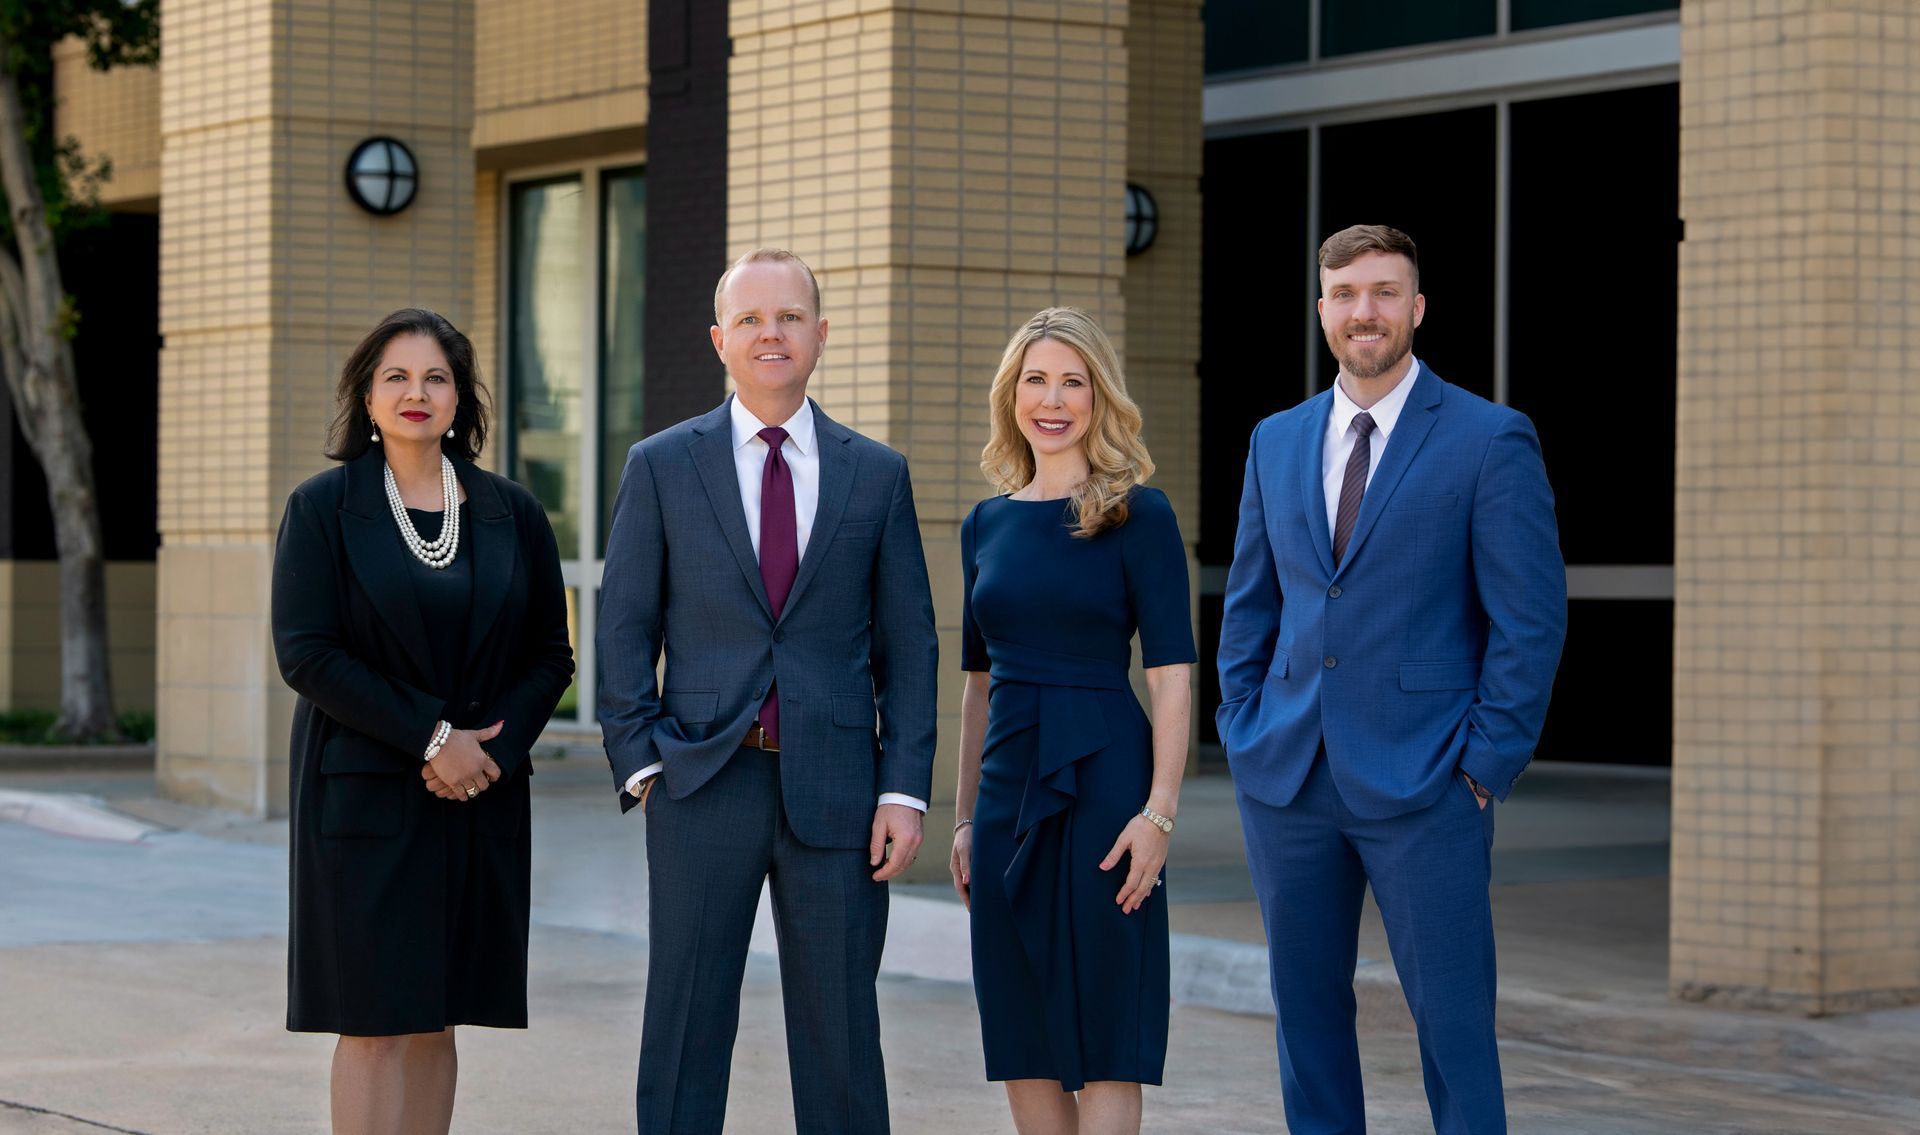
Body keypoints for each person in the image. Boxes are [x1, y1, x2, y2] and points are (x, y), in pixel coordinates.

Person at [1216, 225, 1567, 1134]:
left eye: (1383, 292)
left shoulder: (1491, 438)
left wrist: (1486, 764)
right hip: (1287, 775)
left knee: (1453, 1028)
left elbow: (1529, 620)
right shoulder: (1276, 439)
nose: (1362, 311)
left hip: (1429, 781)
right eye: (1345, 294)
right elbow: (1252, 603)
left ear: (1415, 308)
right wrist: (1244, 721)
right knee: (1306, 1020)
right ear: (1322, 310)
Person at [597, 248, 939, 1134]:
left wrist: (903, 788)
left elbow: (910, 646)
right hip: (700, 782)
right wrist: (640, 764)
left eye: (788, 316)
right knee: (685, 1022)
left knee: (841, 1036)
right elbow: (625, 624)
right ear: (719, 340)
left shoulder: (877, 473)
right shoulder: (664, 464)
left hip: (838, 792)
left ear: (821, 335)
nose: (770, 333)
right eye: (749, 319)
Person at [272, 308, 575, 1134]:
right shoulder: (323, 509)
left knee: (439, 1013)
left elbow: (551, 654)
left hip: (475, 798)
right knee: (372, 1018)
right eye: (396, 377)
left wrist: (487, 752)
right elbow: (307, 653)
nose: (417, 392)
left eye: (435, 376)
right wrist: (435, 736)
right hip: (363, 800)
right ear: (366, 398)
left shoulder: (512, 512)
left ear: (459, 397)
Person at [949, 308, 1195, 1134]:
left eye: (1072, 381)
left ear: (1100, 396)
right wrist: (961, 817)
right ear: (1011, 395)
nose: (1052, 400)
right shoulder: (984, 524)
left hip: (1107, 785)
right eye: (1035, 380)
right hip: (1005, 789)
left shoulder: (1141, 515)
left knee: (1105, 1028)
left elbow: (1170, 680)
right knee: (1020, 1026)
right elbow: (976, 686)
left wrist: (1159, 811)